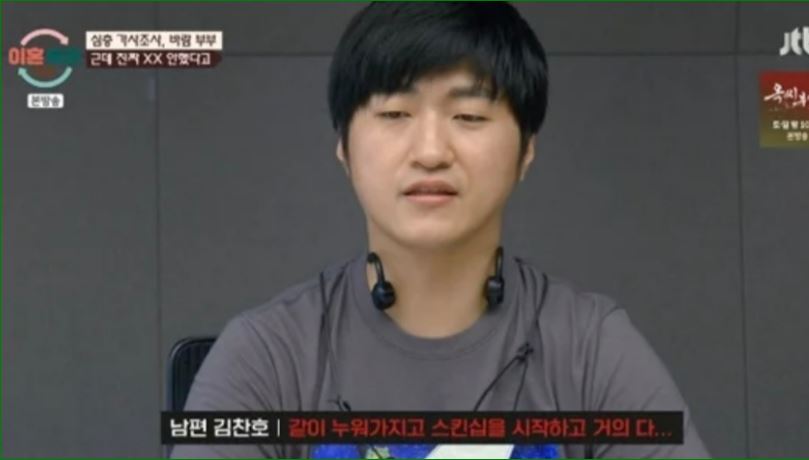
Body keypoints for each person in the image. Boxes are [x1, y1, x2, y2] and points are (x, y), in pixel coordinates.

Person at [170, 2, 710, 458]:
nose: (430, 151)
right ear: (344, 148)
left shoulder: (591, 348)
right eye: (394, 114)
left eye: (469, 116)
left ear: (526, 151)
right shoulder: (266, 356)